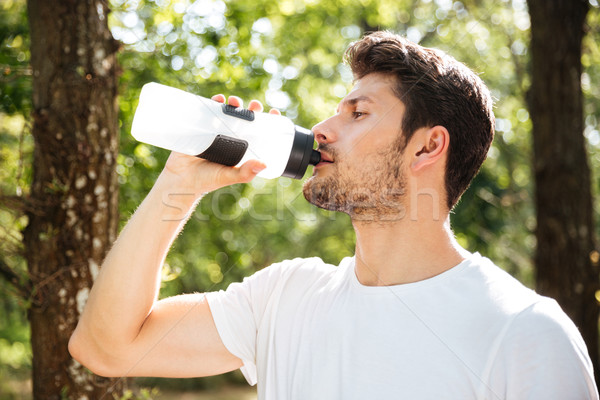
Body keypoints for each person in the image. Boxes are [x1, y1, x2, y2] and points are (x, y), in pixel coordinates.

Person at [69, 31, 598, 399]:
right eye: (335, 108)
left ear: (426, 148)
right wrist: (177, 184)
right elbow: (106, 347)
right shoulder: (284, 296)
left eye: (358, 113)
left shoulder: (525, 333)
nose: (321, 128)